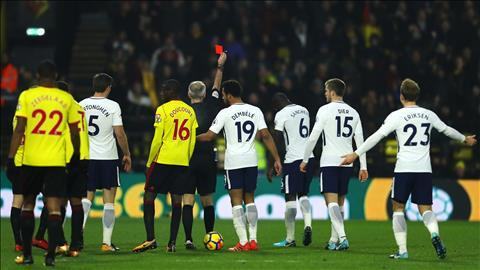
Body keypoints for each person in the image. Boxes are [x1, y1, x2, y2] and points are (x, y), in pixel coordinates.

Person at [341, 78, 477, 259]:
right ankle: (434, 234)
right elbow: (446, 130)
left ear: (401, 96)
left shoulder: (396, 116)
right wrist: (464, 139)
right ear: (417, 95)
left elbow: (376, 137)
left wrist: (355, 154)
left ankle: (403, 251)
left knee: (398, 208)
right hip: (424, 169)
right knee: (426, 208)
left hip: (404, 168)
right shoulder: (428, 114)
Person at [7, 60, 81, 266]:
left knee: (28, 204)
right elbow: (75, 132)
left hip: (31, 159)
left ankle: (27, 255)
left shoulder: (27, 96)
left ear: (37, 75)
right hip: (56, 160)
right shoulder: (66, 98)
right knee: (54, 207)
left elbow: (19, 129)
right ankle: (50, 256)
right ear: (55, 75)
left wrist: (11, 158)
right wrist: (75, 154)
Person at [197, 80, 282, 252]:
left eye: (222, 94)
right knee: (250, 199)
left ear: (228, 94)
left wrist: (189, 139)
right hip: (251, 161)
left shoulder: (225, 113)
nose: (222, 96)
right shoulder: (255, 110)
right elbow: (265, 135)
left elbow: (209, 136)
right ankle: (253, 240)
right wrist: (277, 159)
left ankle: (243, 242)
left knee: (236, 201)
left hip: (234, 161)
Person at [300, 78, 368, 251]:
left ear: (331, 92)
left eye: (325, 90)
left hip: (329, 161)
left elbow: (313, 137)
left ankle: (343, 238)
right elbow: (360, 141)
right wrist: (363, 166)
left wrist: (305, 159)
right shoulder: (354, 112)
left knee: (331, 202)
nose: (324, 93)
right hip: (347, 162)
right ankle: (333, 239)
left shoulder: (324, 110)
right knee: (340, 203)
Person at [132, 79, 198, 253]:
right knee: (177, 201)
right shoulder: (190, 111)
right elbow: (191, 141)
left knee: (149, 196)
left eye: (164, 90)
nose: (161, 93)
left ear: (171, 91)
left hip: (163, 160)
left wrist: (149, 161)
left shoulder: (162, 110)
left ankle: (150, 239)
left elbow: (157, 139)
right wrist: (186, 158)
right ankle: (172, 243)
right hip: (182, 162)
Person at [80, 73, 131, 252]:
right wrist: (127, 154)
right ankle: (106, 243)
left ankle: (77, 239)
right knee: (108, 202)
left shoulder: (82, 105)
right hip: (108, 158)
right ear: (108, 87)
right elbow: (119, 133)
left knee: (86, 199)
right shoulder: (113, 106)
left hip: (87, 158)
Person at [181, 52, 226, 249]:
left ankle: (188, 238)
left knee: (188, 201)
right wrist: (220, 67)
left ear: (189, 95)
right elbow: (217, 86)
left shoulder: (182, 110)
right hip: (208, 158)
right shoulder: (213, 104)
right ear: (205, 94)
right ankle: (209, 235)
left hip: (187, 158)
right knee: (207, 200)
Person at [270, 93, 314, 248]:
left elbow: (276, 138)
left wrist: (273, 162)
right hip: (309, 157)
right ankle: (308, 224)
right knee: (303, 194)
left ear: (276, 105)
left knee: (290, 197)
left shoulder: (280, 114)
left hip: (293, 159)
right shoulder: (304, 110)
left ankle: (290, 239)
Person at [57, 81, 90, 256]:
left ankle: (60, 242)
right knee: (76, 202)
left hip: (66, 158)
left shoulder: (61, 107)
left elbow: (72, 133)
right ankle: (77, 244)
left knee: (57, 202)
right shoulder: (79, 107)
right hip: (83, 158)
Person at [6, 114, 25, 252]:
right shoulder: (33, 114)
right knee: (53, 201)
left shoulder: (16, 116)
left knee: (17, 202)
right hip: (32, 164)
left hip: (17, 163)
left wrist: (10, 160)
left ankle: (18, 242)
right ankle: (40, 236)